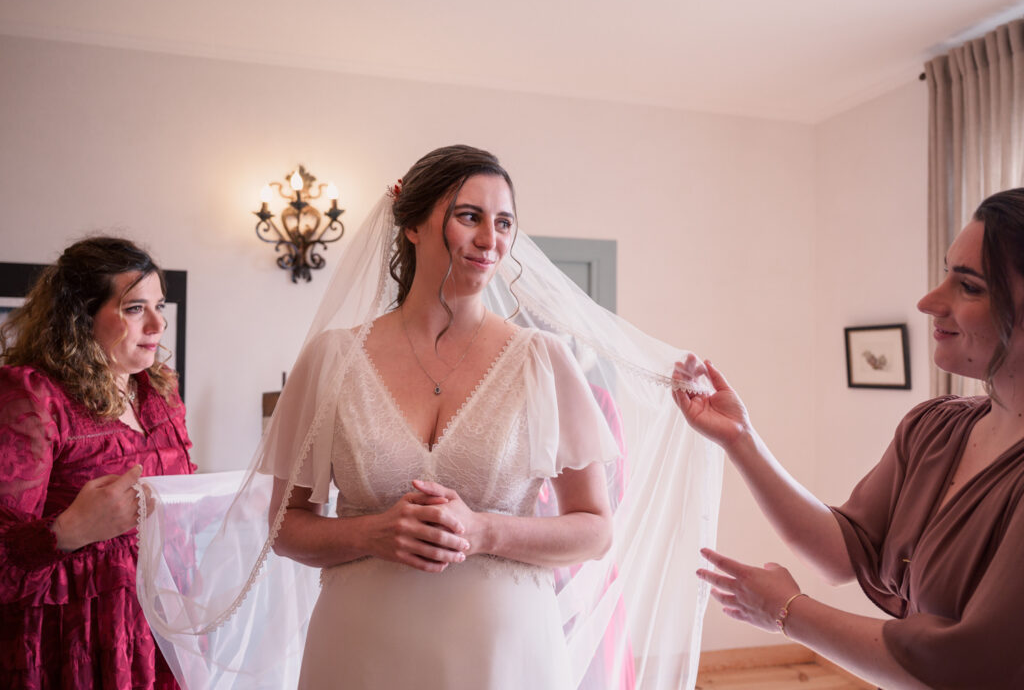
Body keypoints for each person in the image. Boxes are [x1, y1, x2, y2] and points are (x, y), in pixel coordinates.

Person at [136, 146, 721, 690]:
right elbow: (286, 525)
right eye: (470, 216)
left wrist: (486, 530)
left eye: (505, 222)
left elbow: (595, 528)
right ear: (412, 224)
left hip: (505, 652)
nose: (490, 238)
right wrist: (372, 531)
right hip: (361, 647)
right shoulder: (334, 359)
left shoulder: (543, 362)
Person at [672, 187, 1024, 690]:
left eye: (968, 287)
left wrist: (786, 611)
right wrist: (740, 439)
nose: (928, 301)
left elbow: (964, 668)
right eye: (945, 273)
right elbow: (843, 551)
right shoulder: (935, 428)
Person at [0, 237, 195, 689]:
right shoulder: (31, 397)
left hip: (159, 632)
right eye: (133, 309)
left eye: (159, 305)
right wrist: (71, 531)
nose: (157, 324)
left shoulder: (162, 391)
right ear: (80, 315)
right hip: (73, 642)